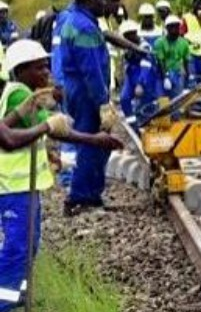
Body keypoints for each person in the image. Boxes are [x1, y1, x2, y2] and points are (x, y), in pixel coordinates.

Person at [0, 39, 123, 311]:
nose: (46, 73)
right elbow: (51, 130)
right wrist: (93, 139)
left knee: (29, 244)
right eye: (39, 68)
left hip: (23, 186)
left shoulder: (21, 92)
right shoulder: (19, 94)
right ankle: (3, 303)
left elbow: (46, 129)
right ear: (20, 70)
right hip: (13, 187)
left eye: (46, 66)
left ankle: (17, 295)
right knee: (18, 247)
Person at [53, 0, 121, 216]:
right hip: (85, 92)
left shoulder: (77, 20)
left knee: (95, 144)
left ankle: (91, 195)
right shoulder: (83, 27)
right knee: (91, 143)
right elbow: (91, 70)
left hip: (78, 89)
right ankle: (80, 198)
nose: (105, 3)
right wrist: (103, 103)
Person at [118, 20, 160, 131]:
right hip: (131, 75)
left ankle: (146, 126)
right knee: (124, 99)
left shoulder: (144, 46)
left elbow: (146, 66)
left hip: (144, 76)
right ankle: (133, 125)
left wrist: (140, 84)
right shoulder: (127, 45)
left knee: (146, 103)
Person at [154, 15, 190, 101]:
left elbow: (186, 61)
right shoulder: (160, 43)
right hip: (161, 74)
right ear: (167, 28)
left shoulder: (184, 43)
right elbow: (160, 62)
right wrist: (165, 77)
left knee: (177, 101)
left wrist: (187, 80)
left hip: (177, 74)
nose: (174, 29)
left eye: (176, 26)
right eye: (171, 27)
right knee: (163, 100)